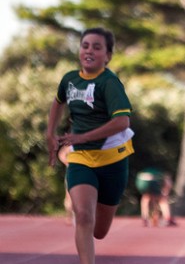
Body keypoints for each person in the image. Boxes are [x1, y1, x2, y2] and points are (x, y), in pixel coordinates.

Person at [46, 27, 135, 264]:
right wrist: (50, 133)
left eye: (97, 47)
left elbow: (122, 121)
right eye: (85, 45)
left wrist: (83, 137)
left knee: (99, 231)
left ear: (107, 56)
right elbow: (58, 102)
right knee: (83, 216)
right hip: (81, 158)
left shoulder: (110, 83)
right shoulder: (69, 79)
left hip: (112, 160)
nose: (89, 51)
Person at [58, 144, 74, 225]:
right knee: (69, 195)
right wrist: (68, 162)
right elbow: (61, 154)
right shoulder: (69, 144)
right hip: (71, 172)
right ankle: (69, 216)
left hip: (84, 172)